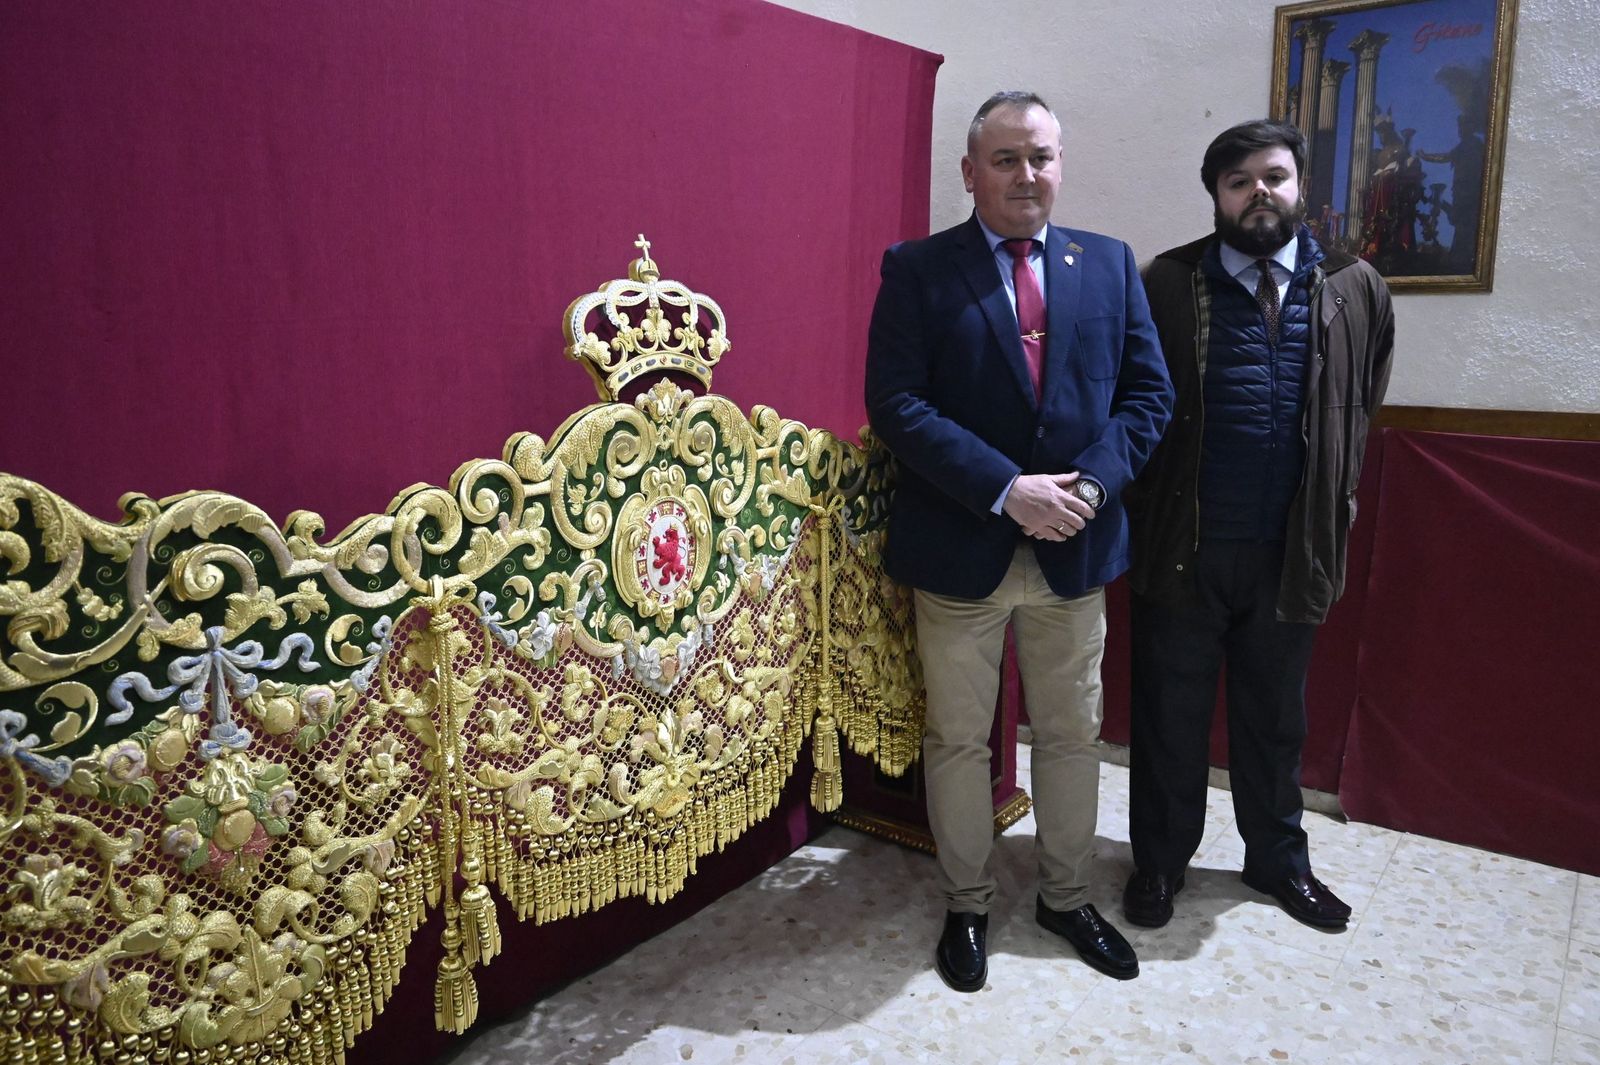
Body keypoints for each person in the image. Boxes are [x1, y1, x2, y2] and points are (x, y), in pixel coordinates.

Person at [865, 91, 1173, 991]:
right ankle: (967, 903)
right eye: (1005, 159)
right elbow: (897, 403)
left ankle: (1066, 897)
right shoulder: (918, 269)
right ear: (970, 173)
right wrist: (1007, 490)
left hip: (1076, 546)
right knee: (960, 738)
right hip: (961, 549)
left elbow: (1148, 396)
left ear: (1059, 165)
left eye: (1040, 156)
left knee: (1073, 734)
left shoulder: (1109, 264)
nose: (1026, 174)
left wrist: (1089, 486)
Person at [1124, 119, 1394, 932]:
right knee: (1169, 717)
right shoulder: (1169, 282)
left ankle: (1278, 861)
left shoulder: (1353, 286)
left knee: (1276, 719)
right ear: (1216, 195)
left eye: (1273, 176)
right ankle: (1160, 862)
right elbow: (1134, 401)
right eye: (1238, 181)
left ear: (1301, 186)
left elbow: (1363, 395)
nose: (1258, 193)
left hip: (1291, 549)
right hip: (1185, 544)